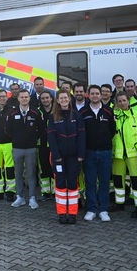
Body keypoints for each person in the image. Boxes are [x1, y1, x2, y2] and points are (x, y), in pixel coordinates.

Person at [112, 92, 137, 218]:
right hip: (118, 154)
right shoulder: (113, 116)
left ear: (129, 101)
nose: (122, 103)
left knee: (136, 180)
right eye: (119, 101)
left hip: (134, 153)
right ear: (116, 103)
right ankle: (119, 203)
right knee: (118, 179)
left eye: (124, 100)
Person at [47, 91, 85, 224]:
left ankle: (73, 213)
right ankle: (62, 213)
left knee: (73, 184)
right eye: (61, 98)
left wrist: (80, 154)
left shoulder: (77, 115)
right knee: (60, 184)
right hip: (59, 158)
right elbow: (51, 138)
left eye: (66, 97)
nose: (64, 100)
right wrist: (56, 156)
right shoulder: (53, 116)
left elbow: (81, 136)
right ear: (57, 100)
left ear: (69, 99)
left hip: (74, 157)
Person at [79, 85, 115, 222]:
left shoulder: (108, 111)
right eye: (92, 93)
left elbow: (112, 130)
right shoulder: (83, 112)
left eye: (97, 93)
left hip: (105, 151)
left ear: (101, 95)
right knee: (90, 182)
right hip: (89, 152)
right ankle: (91, 209)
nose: (95, 96)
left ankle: (103, 209)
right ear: (88, 95)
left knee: (105, 182)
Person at [7, 90, 45, 210]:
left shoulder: (35, 112)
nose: (24, 99)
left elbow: (42, 129)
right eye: (22, 97)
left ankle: (32, 197)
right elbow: (8, 129)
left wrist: (33, 138)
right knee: (18, 173)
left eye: (26, 97)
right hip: (17, 148)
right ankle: (20, 197)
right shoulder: (12, 113)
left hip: (31, 148)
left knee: (31, 174)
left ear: (29, 98)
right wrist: (16, 138)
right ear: (18, 99)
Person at [36, 91, 54, 201]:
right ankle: (46, 192)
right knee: (43, 168)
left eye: (47, 98)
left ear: (51, 98)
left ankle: (56, 192)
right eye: (43, 98)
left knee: (54, 168)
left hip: (54, 144)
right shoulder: (37, 112)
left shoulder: (57, 110)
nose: (45, 100)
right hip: (41, 144)